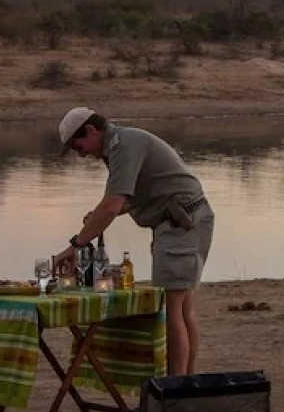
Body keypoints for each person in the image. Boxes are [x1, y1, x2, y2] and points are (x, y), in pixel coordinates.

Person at [51, 107, 214, 377]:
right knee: (183, 309)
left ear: (91, 131)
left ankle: (175, 389)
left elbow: (111, 206)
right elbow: (129, 197)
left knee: (171, 309)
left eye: (77, 145)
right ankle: (186, 385)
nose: (80, 154)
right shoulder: (122, 144)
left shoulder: (123, 146)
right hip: (186, 220)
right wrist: (99, 215)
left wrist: (75, 246)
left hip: (180, 224)